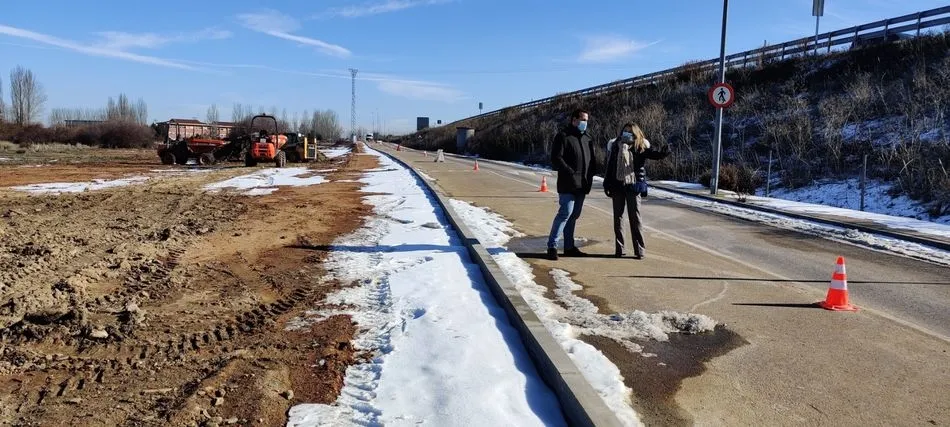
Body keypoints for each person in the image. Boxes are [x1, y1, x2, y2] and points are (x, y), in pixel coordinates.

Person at [603, 123, 670, 259]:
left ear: (636, 133)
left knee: (635, 218)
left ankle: (639, 250)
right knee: (618, 218)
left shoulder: (640, 146)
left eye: (630, 132)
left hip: (633, 186)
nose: (627, 135)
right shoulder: (616, 145)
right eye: (625, 132)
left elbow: (654, 155)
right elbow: (610, 166)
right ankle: (619, 249)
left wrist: (664, 153)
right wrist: (607, 183)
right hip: (617, 185)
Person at [546, 108, 596, 261]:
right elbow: (556, 158)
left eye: (586, 120)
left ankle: (569, 246)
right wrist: (569, 171)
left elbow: (592, 161)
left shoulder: (587, 138)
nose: (585, 123)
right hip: (568, 183)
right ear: (574, 120)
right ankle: (552, 246)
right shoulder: (563, 136)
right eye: (582, 119)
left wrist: (591, 175)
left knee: (574, 215)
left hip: (583, 184)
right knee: (565, 213)